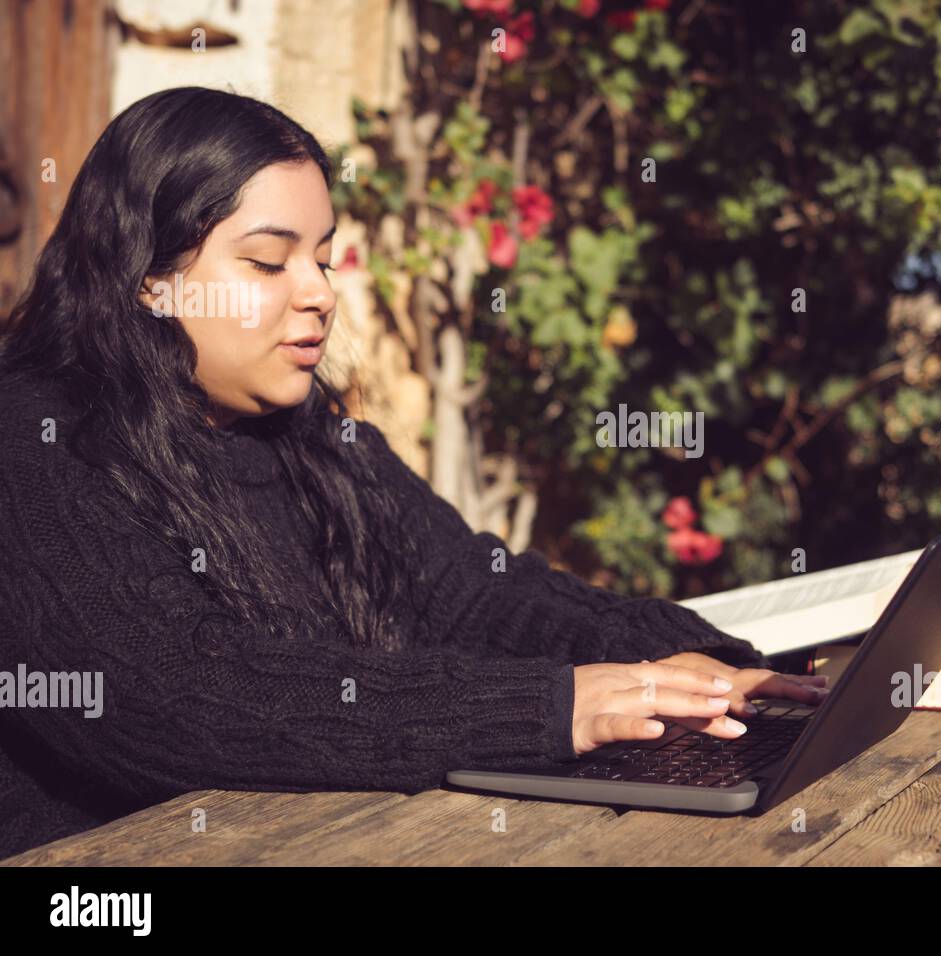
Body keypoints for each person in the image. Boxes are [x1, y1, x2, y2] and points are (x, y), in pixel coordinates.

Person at [0, 87, 826, 859]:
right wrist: (548, 707)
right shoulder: (35, 444)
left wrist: (683, 661)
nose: (319, 293)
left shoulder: (311, 437)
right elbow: (175, 698)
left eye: (323, 257)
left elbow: (470, 591)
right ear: (148, 281)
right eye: (267, 262)